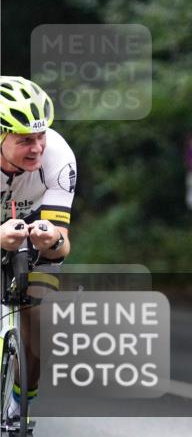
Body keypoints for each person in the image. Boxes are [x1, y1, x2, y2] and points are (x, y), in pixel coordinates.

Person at [0, 77, 74, 427]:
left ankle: (20, 402)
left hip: (29, 225)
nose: (37, 148)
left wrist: (51, 241)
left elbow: (62, 245)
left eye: (41, 136)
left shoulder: (58, 157)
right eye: (25, 140)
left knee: (42, 323)